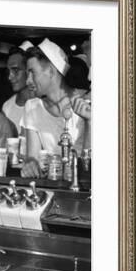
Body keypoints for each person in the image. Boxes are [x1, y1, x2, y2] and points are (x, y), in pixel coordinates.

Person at [20, 39, 91, 178]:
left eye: (32, 72)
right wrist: (31, 164)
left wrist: (90, 121)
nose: (27, 80)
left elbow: (93, 164)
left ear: (51, 71)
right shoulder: (32, 107)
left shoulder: (87, 103)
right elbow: (32, 157)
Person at [1, 43, 37, 133]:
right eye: (8, 71)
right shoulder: (7, 107)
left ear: (29, 70)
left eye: (15, 70)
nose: (10, 77)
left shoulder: (42, 104)